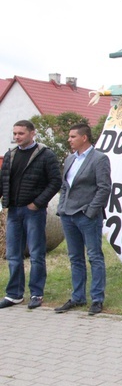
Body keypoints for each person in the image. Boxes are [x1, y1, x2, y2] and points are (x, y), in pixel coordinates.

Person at [0, 120, 63, 309]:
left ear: (32, 133)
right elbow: (3, 181)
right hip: (13, 211)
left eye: (21, 133)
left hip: (33, 212)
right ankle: (14, 294)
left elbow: (55, 182)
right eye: (15, 133)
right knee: (13, 254)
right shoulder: (10, 155)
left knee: (36, 254)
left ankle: (36, 293)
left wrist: (37, 203)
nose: (17, 137)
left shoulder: (46, 155)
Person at [55, 123, 111, 315]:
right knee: (75, 258)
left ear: (84, 138)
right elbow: (64, 186)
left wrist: (90, 211)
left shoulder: (99, 159)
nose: (69, 140)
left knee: (94, 256)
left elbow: (104, 188)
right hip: (68, 216)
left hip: (87, 216)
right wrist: (62, 208)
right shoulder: (70, 159)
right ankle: (78, 297)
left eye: (72, 137)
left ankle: (97, 299)